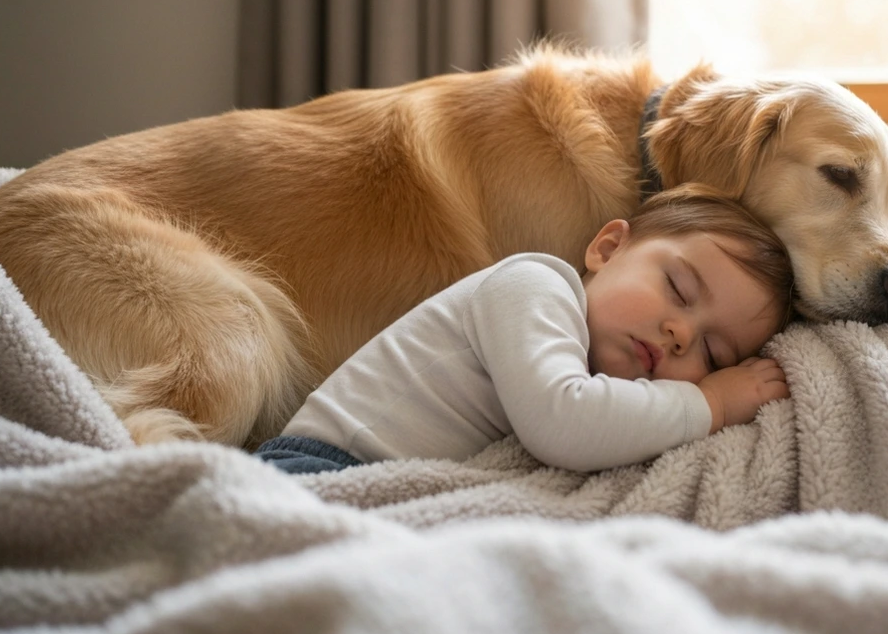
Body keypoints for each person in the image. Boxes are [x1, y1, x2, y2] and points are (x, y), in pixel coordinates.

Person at [254, 184, 793, 475]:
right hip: (314, 474)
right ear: (608, 249)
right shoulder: (534, 285)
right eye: (678, 288)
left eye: (713, 353)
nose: (680, 333)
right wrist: (713, 405)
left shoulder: (600, 374)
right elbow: (564, 421)